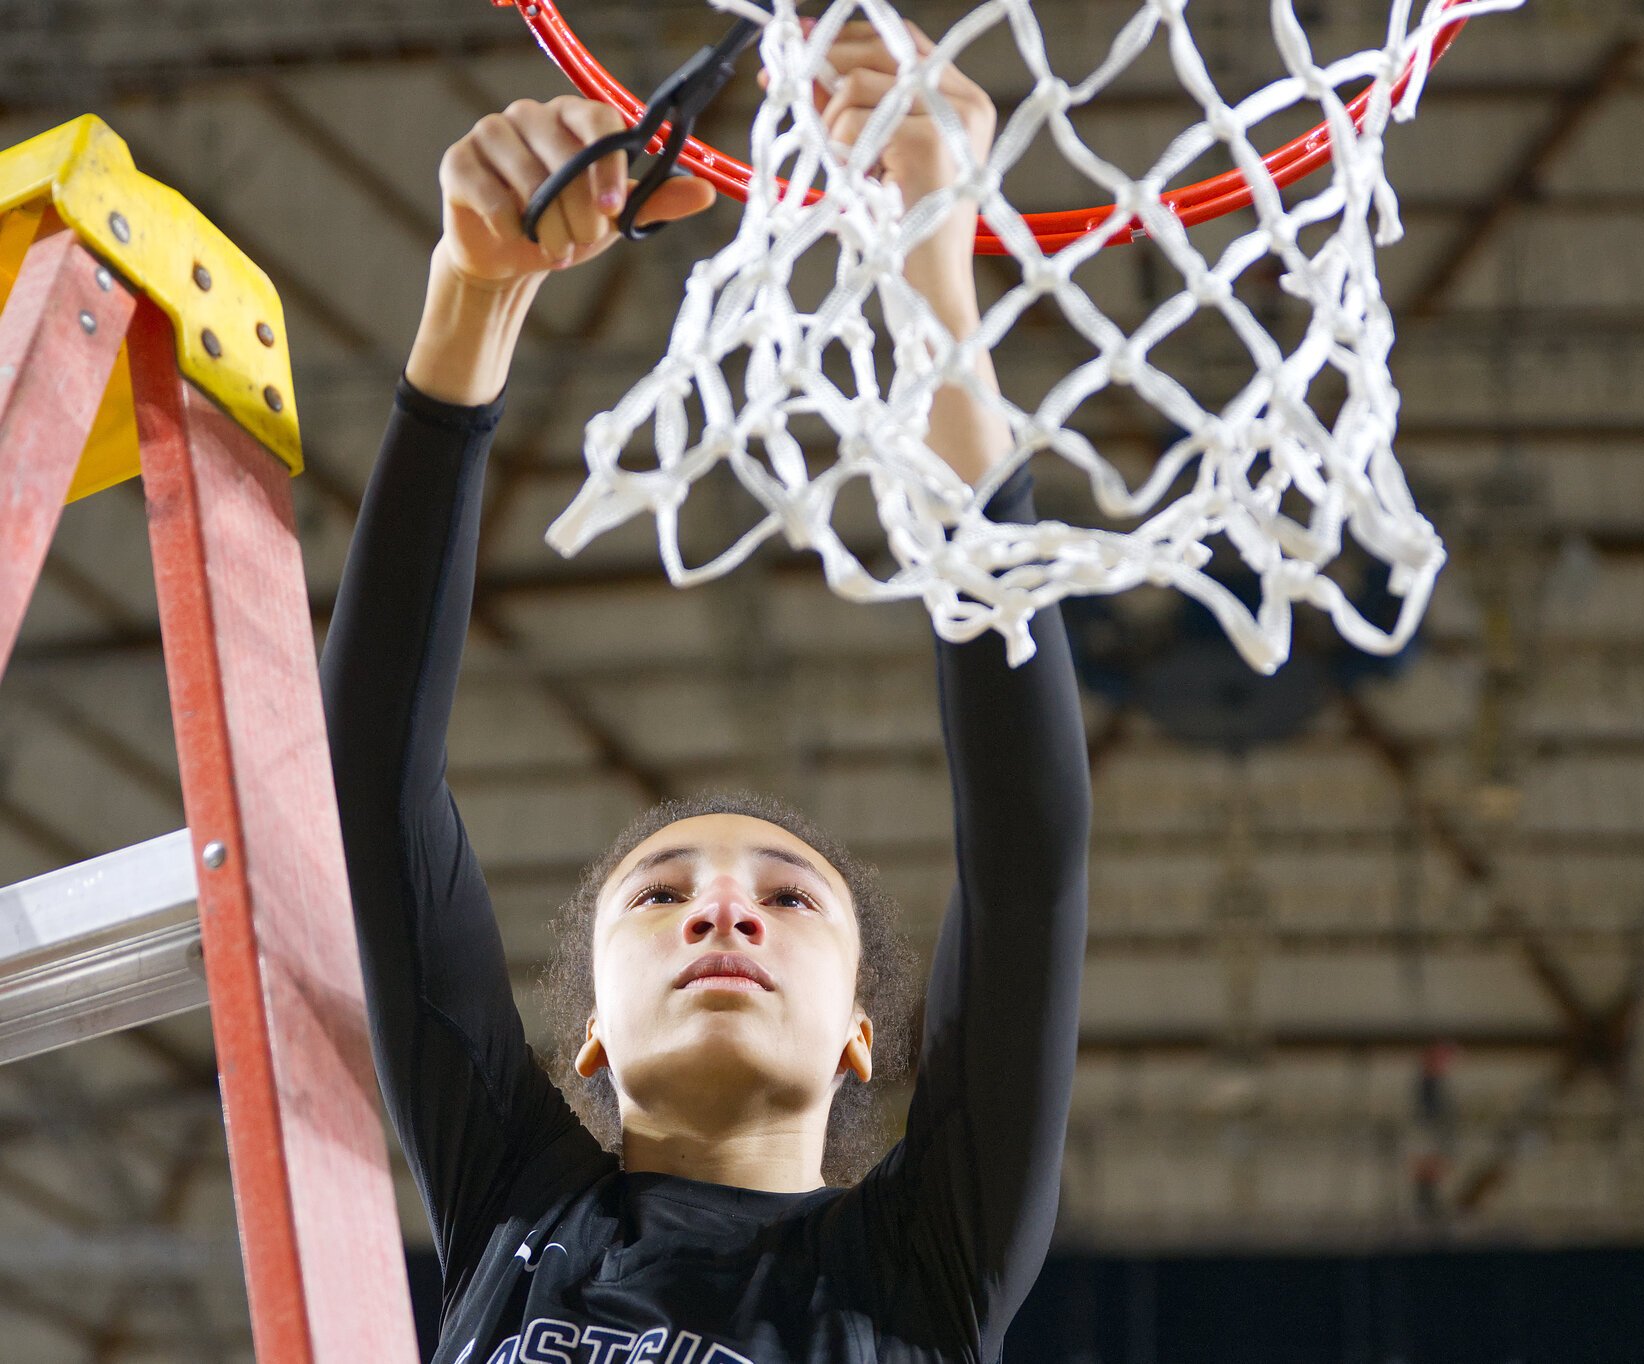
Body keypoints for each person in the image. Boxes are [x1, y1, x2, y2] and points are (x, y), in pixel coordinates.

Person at [321, 22, 1092, 1363]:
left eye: (790, 899)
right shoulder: (518, 1203)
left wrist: (933, 288)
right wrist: (472, 295)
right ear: (592, 1042)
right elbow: (369, 785)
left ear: (862, 1039)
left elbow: (1028, 853)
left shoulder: (918, 1269)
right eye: (661, 895)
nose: (723, 905)